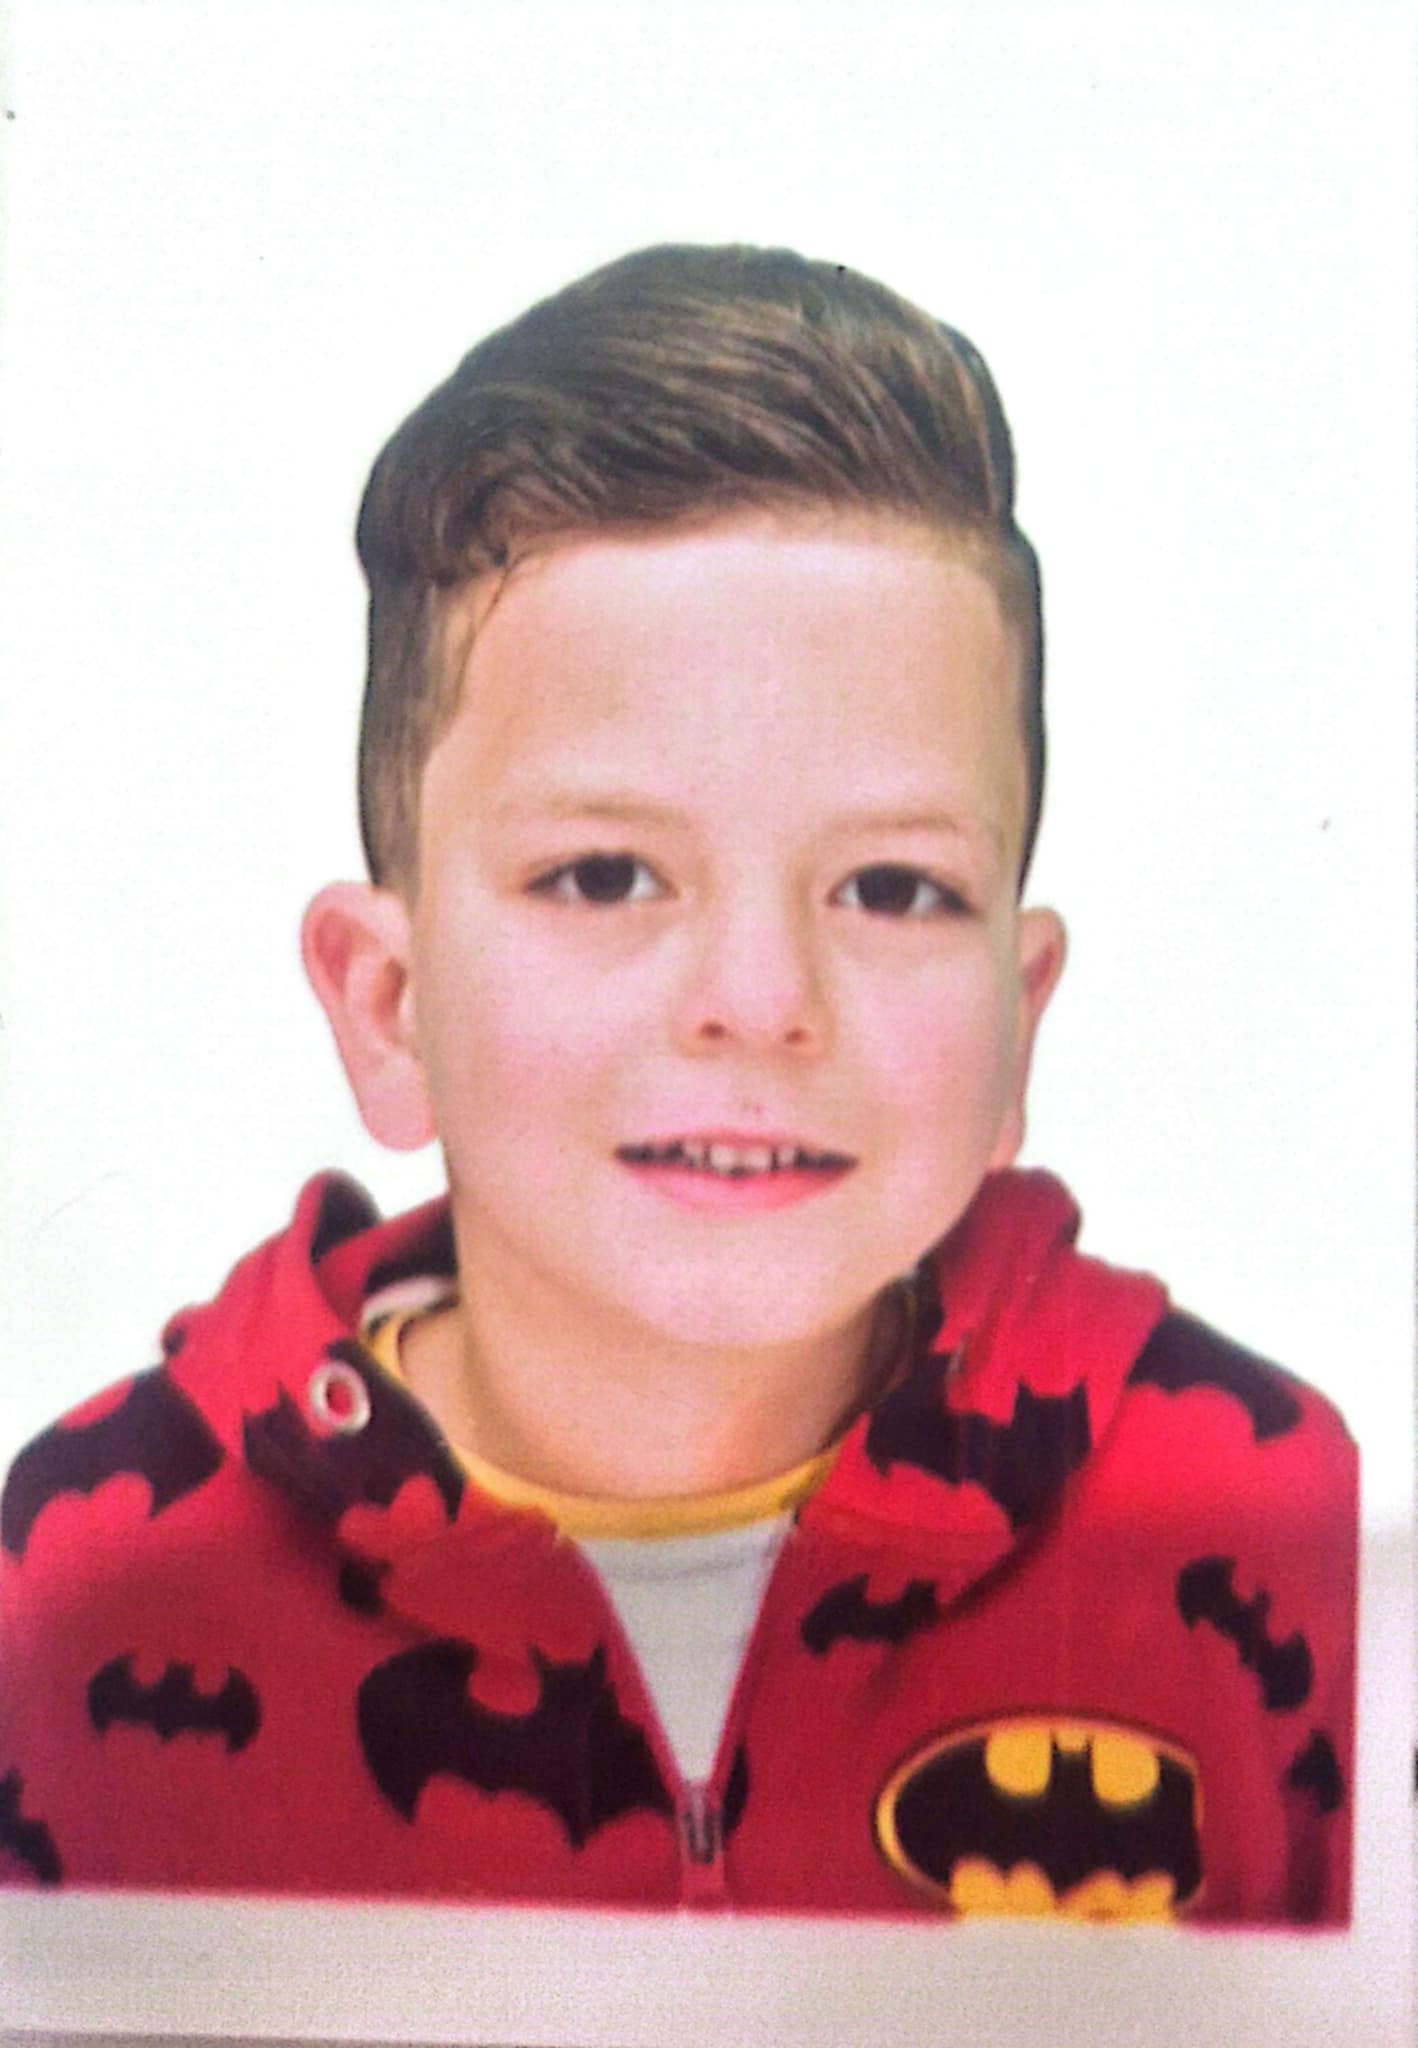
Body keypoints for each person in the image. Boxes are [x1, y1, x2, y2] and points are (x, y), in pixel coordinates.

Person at [0, 245, 1355, 1922]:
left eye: (891, 888)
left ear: (1016, 1023)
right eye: (602, 876)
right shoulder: (88, 1580)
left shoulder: (1286, 1530)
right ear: (387, 1005)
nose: (760, 1003)